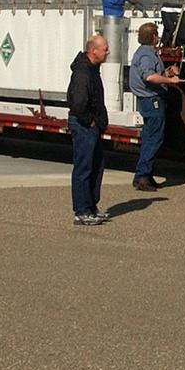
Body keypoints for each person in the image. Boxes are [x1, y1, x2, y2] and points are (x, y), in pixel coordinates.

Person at [129, 22, 183, 191]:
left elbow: (154, 74)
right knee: (154, 138)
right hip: (151, 100)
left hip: (149, 100)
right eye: (157, 34)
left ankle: (145, 174)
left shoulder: (147, 53)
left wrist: (167, 72)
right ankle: (142, 176)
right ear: (153, 37)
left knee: (149, 137)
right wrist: (170, 80)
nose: (159, 37)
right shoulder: (146, 55)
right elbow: (150, 77)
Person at [68, 34, 110, 226]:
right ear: (94, 51)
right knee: (83, 168)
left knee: (96, 165)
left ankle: (91, 206)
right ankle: (81, 210)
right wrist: (90, 121)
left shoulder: (93, 69)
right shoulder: (83, 72)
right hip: (84, 126)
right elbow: (77, 102)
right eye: (105, 49)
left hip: (93, 126)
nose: (108, 52)